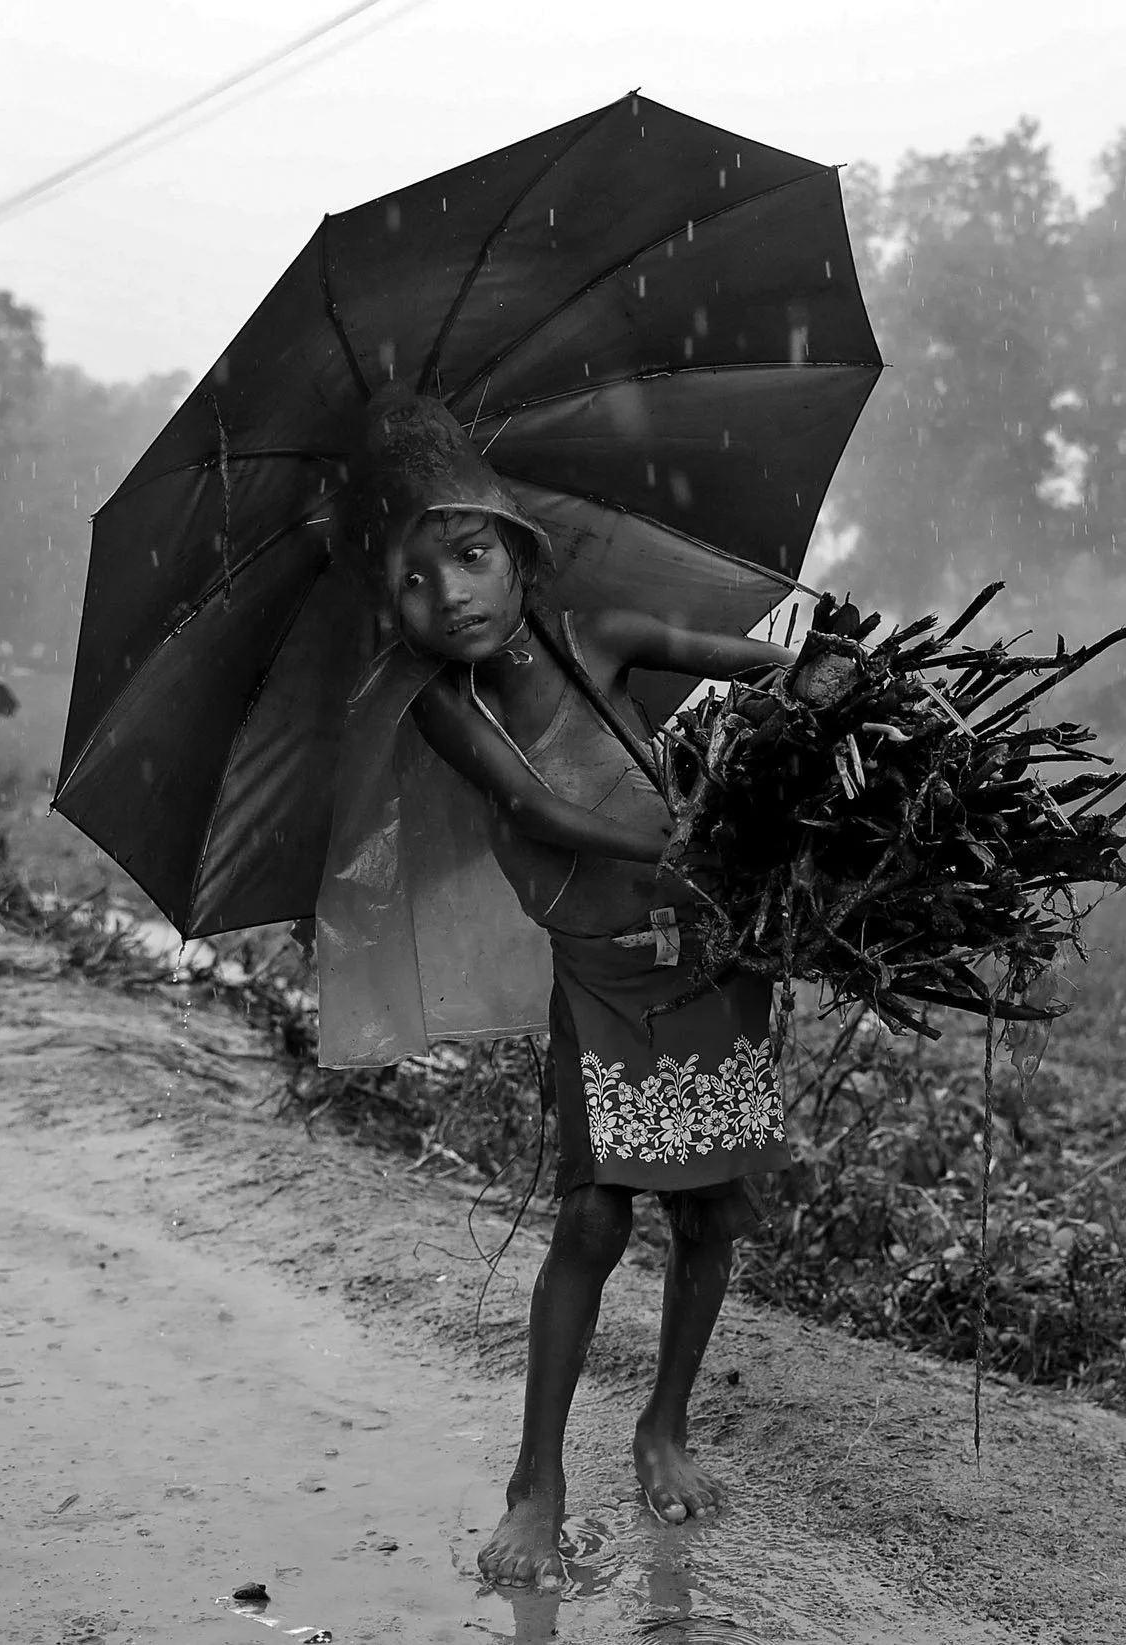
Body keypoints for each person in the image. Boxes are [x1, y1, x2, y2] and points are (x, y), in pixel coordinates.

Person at [341, 389, 795, 1591]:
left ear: (518, 551)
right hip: (598, 975)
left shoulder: (593, 636)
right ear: (387, 609)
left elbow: (711, 653)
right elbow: (536, 806)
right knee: (594, 1218)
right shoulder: (443, 703)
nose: (454, 598)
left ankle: (663, 1426)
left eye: (470, 555)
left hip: (707, 954)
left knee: (710, 1212)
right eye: (415, 582)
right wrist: (674, 845)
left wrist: (804, 670)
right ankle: (534, 1480)